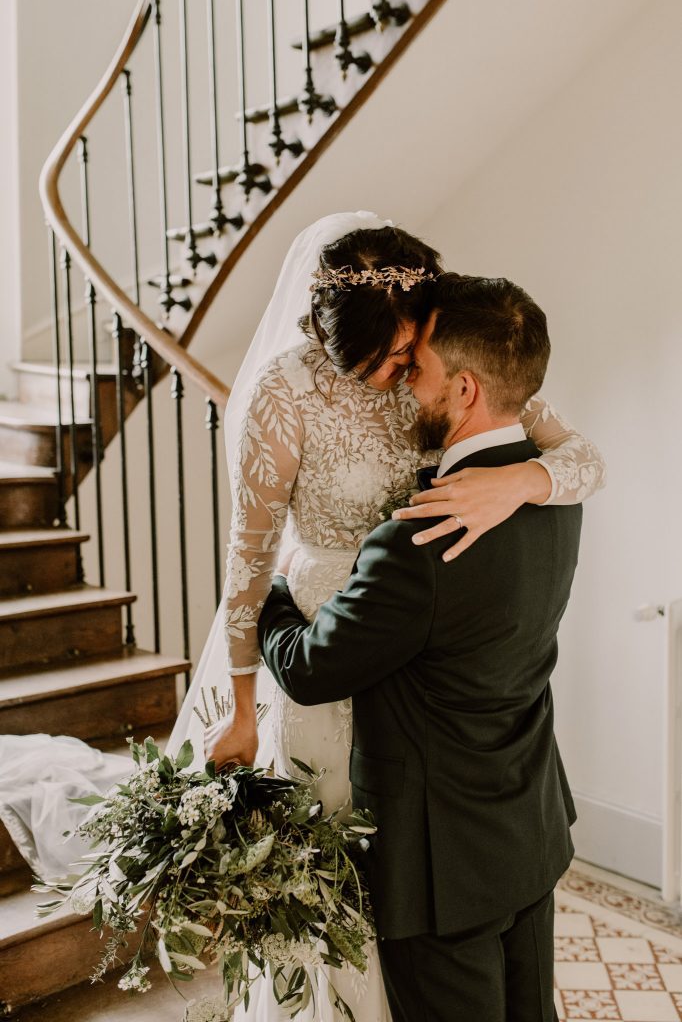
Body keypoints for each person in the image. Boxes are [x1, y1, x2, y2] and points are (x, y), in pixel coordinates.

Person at [166, 212, 604, 1020]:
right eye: (384, 359)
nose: (401, 375)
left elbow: (581, 458)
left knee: (415, 902)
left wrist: (522, 483)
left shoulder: (458, 364)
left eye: (412, 355)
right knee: (336, 901)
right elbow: (248, 554)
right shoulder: (284, 390)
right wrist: (236, 705)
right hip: (339, 657)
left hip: (401, 638)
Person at [258, 271, 581, 1022]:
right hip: (529, 827)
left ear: (465, 389)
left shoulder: (419, 540)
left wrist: (275, 589)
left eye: (421, 373)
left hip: (442, 868)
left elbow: (309, 669)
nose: (405, 390)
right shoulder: (555, 492)